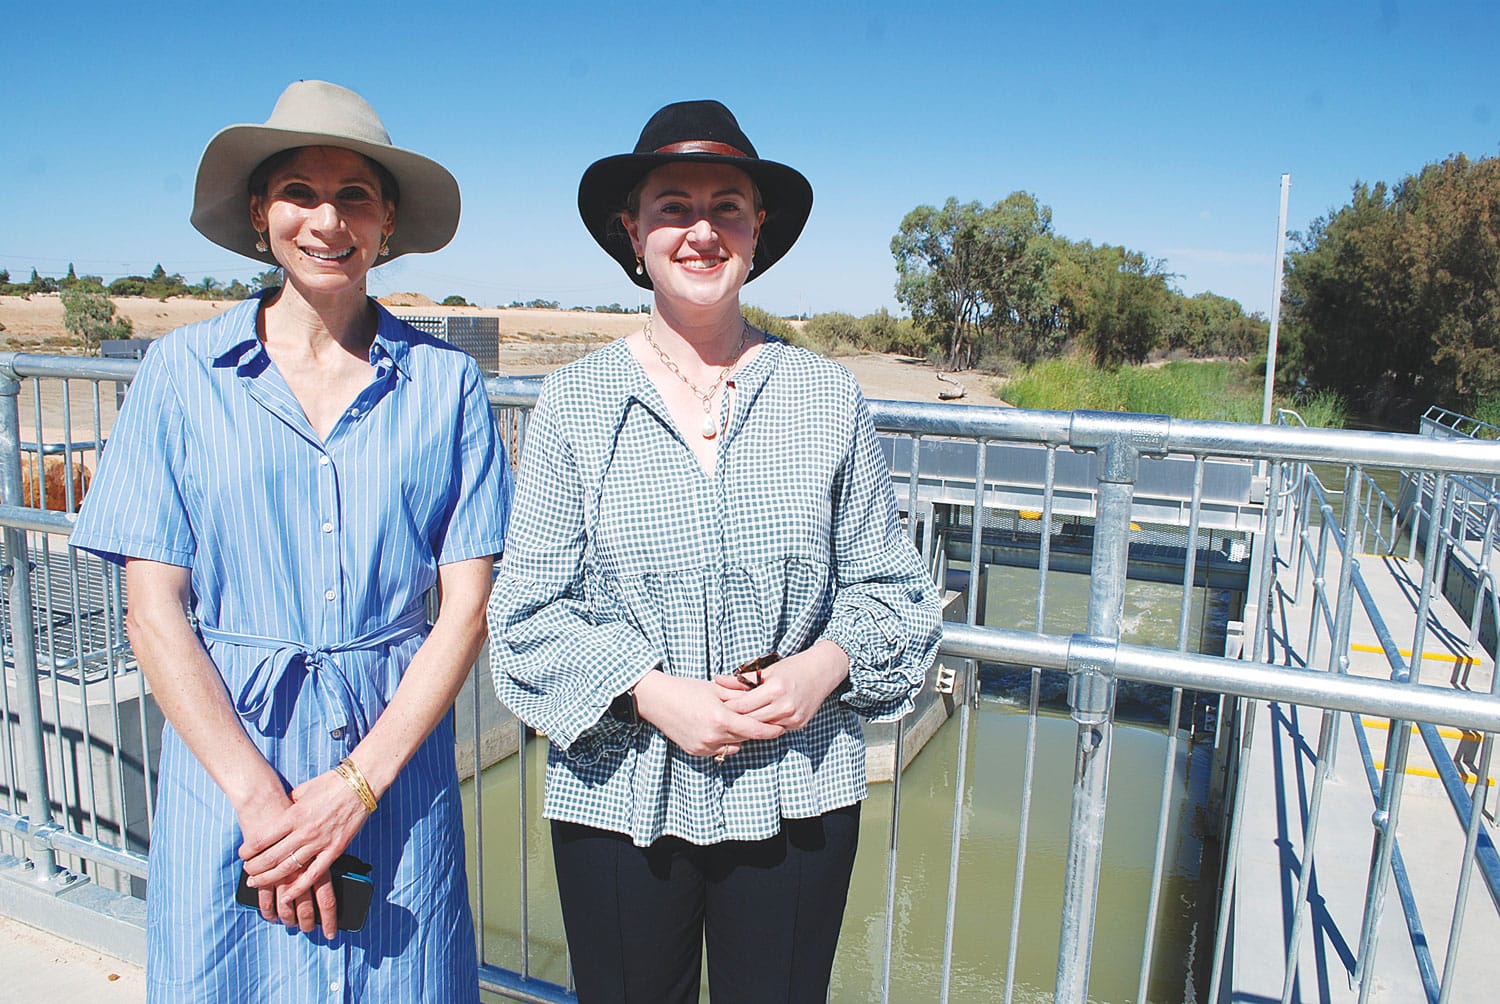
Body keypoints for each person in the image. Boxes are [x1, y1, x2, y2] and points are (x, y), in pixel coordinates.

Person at [488, 100, 941, 1003]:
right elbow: (525, 615)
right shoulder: (574, 404)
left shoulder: (826, 398)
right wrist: (653, 693)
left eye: (726, 207)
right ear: (633, 231)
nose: (702, 231)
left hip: (798, 786)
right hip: (618, 791)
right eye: (674, 207)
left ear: (757, 228)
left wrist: (821, 668)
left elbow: (893, 589)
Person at [70, 80, 510, 1002]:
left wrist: (355, 786)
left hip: (392, 769)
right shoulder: (180, 375)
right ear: (259, 213)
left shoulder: (446, 385)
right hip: (230, 766)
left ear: (387, 220)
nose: (327, 220)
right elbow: (153, 612)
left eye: (355, 195)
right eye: (299, 193)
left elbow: (466, 610)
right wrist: (261, 801)